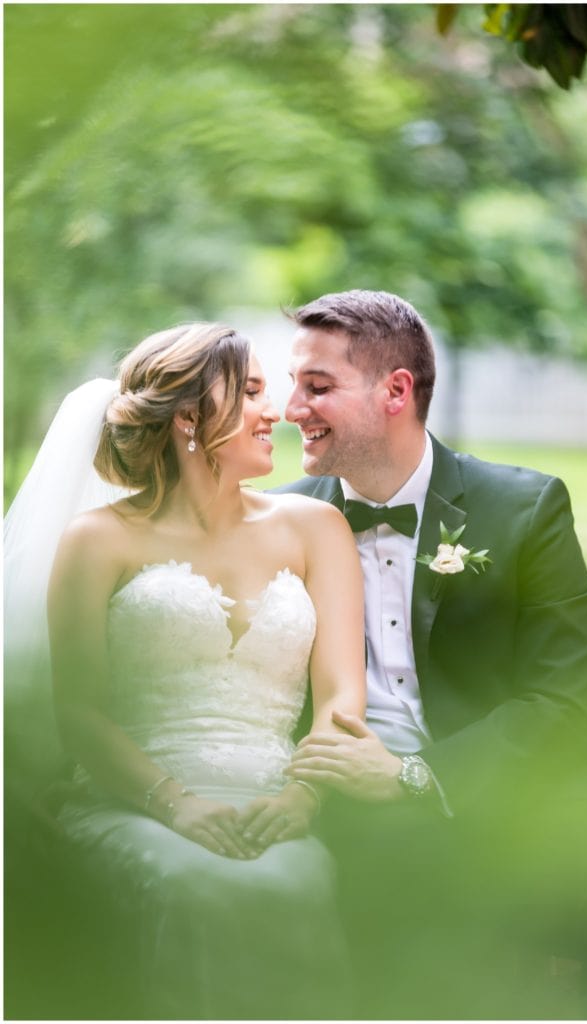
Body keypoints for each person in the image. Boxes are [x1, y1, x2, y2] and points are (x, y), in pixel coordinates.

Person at [278, 289, 587, 1020]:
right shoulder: (281, 521)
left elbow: (557, 704)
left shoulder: (524, 508)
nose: (289, 408)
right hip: (343, 798)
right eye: (291, 385)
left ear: (395, 390)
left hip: (516, 777)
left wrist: (414, 776)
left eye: (316, 387)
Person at [4, 322, 366, 1019]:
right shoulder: (98, 540)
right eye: (254, 391)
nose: (278, 411)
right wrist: (177, 804)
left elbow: (340, 696)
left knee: (297, 881)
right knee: (188, 882)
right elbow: (78, 712)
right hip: (134, 800)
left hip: (274, 803)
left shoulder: (314, 528)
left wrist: (300, 800)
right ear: (190, 418)